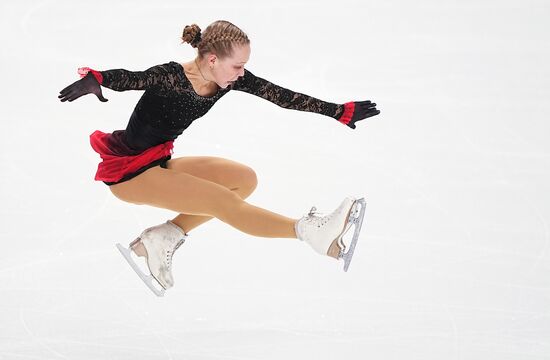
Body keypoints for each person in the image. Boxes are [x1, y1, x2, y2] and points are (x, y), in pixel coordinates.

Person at [58, 20, 379, 296]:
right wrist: (97, 79)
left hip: (156, 162)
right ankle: (308, 232)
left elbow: (281, 96)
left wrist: (338, 112)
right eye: (237, 66)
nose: (242, 73)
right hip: (130, 175)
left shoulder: (227, 80)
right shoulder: (171, 77)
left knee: (243, 180)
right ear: (212, 59)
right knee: (224, 203)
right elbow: (132, 78)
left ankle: (163, 236)